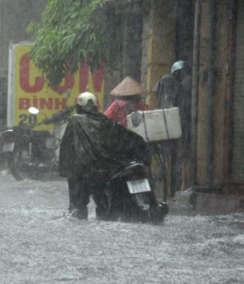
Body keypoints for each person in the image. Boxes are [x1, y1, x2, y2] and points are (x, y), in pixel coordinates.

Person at [59, 91, 149, 219]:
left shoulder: (75, 121)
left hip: (80, 174)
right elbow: (126, 138)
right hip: (102, 172)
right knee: (104, 207)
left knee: (77, 210)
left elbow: (67, 150)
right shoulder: (105, 121)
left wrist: (67, 171)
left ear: (79, 107)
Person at [154, 60, 192, 189]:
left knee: (183, 154)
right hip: (182, 123)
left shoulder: (181, 84)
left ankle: (184, 185)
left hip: (183, 123)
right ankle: (183, 184)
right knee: (182, 155)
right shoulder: (183, 84)